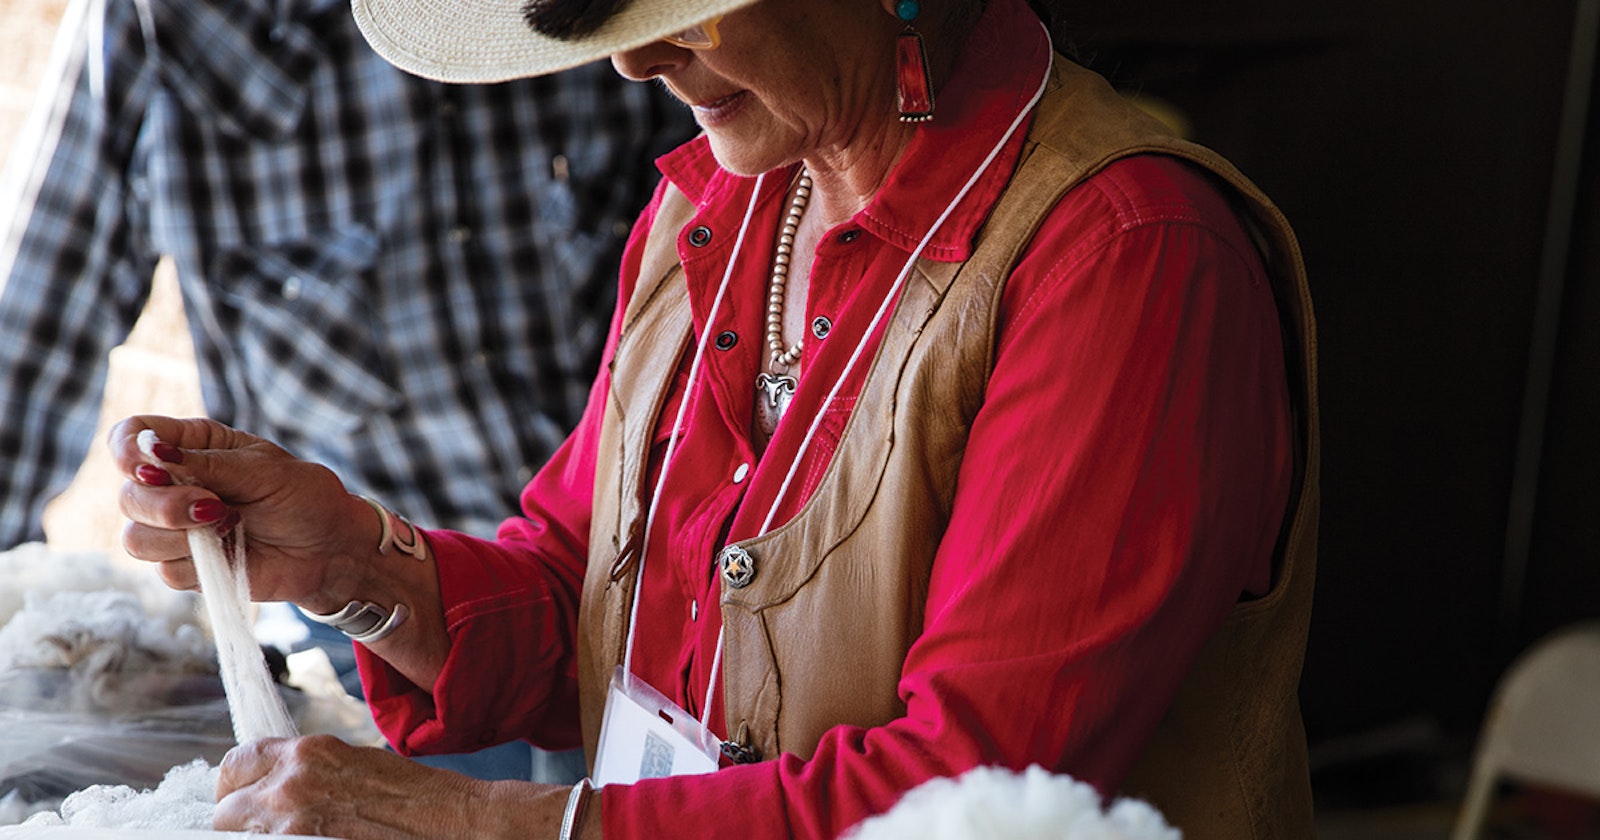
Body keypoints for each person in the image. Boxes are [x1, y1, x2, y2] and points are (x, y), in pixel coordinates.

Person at [111, 0, 1321, 836]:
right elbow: (586, 602)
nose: (637, 64)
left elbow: (968, 801)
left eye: (683, 7)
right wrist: (353, 563)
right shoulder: (731, 206)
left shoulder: (1125, 262)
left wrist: (486, 822)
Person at [0, 0, 694, 781]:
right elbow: (27, 343)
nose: (642, 62)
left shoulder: (603, 38)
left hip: (625, 605)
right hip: (367, 631)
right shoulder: (165, 26)